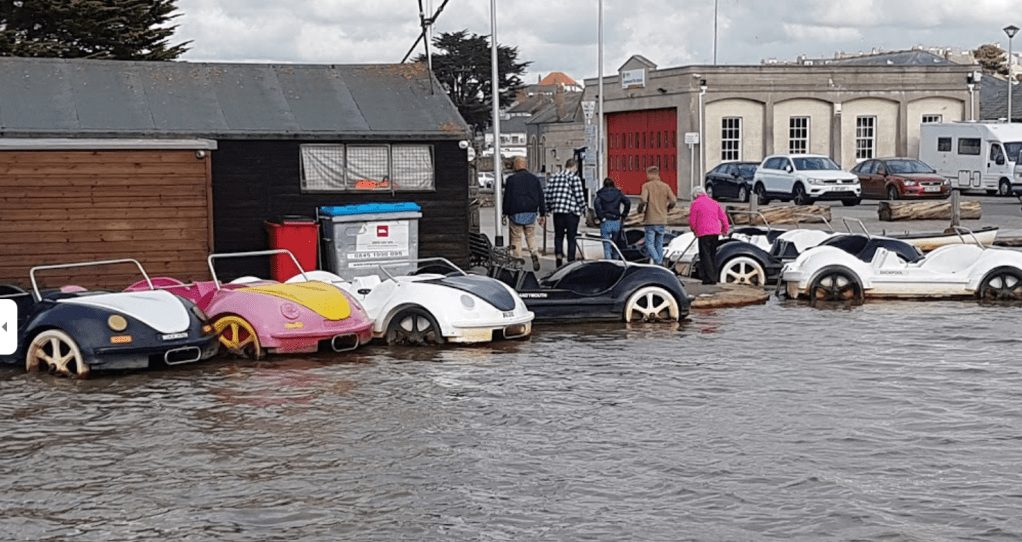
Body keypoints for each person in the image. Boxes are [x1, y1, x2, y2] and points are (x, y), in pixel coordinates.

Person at [502, 156, 546, 271]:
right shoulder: (534, 179)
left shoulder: (511, 180)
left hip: (516, 213)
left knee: (516, 238)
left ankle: (518, 261)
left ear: (516, 166)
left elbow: (507, 198)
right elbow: (541, 197)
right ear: (525, 165)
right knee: (530, 235)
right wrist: (542, 213)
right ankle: (534, 253)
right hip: (531, 213)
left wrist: (505, 212)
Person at [545, 158, 587, 267]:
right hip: (571, 212)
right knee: (571, 237)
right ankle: (571, 261)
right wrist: (583, 209)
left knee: (558, 235)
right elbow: (579, 196)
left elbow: (548, 194)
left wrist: (548, 208)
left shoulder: (554, 177)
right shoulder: (574, 178)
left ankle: (559, 255)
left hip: (558, 212)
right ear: (574, 167)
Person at [635, 166, 676, 266]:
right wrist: (668, 208)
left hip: (650, 219)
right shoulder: (665, 186)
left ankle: (658, 261)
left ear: (650, 174)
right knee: (659, 244)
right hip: (662, 219)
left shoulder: (647, 186)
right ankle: (660, 262)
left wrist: (640, 210)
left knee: (649, 244)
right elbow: (673, 200)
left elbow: (643, 200)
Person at [689, 185, 730, 284]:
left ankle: (708, 278)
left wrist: (694, 230)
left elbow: (692, 220)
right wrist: (725, 229)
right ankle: (714, 277)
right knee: (712, 254)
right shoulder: (715, 203)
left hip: (703, 232)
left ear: (695, 195)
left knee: (705, 256)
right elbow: (723, 217)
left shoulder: (695, 204)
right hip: (715, 232)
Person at [594, 177, 631, 260]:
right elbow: (627, 202)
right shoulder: (618, 193)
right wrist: (624, 214)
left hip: (605, 221)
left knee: (607, 246)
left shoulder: (600, 194)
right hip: (616, 220)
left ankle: (609, 263)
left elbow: (596, 204)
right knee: (616, 244)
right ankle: (616, 261)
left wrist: (601, 216)